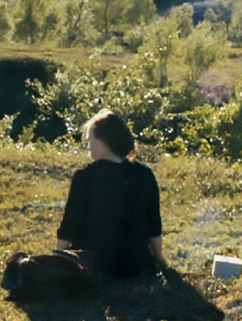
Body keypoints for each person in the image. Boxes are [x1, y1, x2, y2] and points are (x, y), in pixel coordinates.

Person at [55, 109, 167, 279]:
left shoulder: (85, 176)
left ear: (103, 142)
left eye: (90, 140)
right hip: (136, 265)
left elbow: (70, 223)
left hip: (94, 264)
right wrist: (159, 259)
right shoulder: (145, 175)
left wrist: (58, 257)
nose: (88, 146)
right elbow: (154, 225)